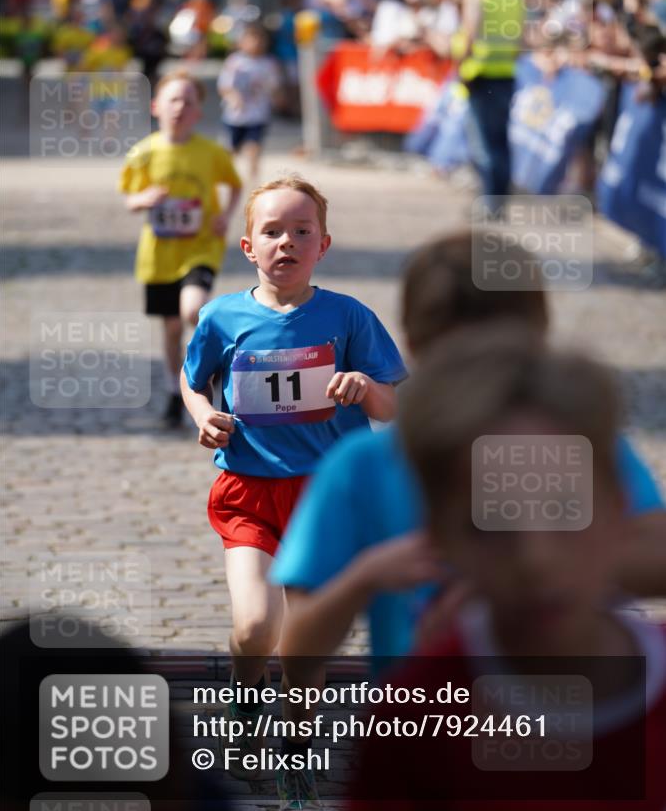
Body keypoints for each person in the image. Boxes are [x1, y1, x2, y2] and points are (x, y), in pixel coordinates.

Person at [274, 232, 665, 663]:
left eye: (500, 357)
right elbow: (296, 649)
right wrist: (364, 578)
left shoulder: (577, 439)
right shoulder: (364, 465)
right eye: (463, 360)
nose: (480, 380)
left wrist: (552, 567)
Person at [349, 326, 666, 811]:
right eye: (490, 524)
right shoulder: (414, 720)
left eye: (566, 511)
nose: (534, 558)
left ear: (619, 508)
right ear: (441, 535)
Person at [180, 175, 406, 811]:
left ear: (323, 244)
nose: (288, 242)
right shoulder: (222, 316)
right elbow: (194, 379)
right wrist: (202, 414)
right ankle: (246, 690)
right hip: (248, 491)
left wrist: (365, 387)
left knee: (304, 642)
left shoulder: (349, 317)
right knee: (255, 626)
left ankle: (295, 753)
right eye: (273, 232)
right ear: (248, 246)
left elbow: (389, 407)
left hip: (324, 501)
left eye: (301, 231)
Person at [118, 71, 242, 428]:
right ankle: (177, 391)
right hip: (159, 255)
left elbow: (234, 186)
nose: (180, 108)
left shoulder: (211, 153)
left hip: (201, 247)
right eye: (173, 100)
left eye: (189, 102)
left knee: (193, 311)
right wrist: (144, 198)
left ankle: (217, 373)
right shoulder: (143, 153)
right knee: (172, 329)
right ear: (157, 106)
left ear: (199, 112)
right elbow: (129, 198)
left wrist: (226, 217)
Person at [451, 0, 525, 214]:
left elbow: (470, 32)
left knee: (482, 142)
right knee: (501, 140)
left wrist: (460, 66)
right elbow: (519, 40)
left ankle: (488, 202)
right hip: (506, 73)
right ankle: (500, 200)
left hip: (480, 74)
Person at [217, 23, 281, 180]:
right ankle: (226, 176)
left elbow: (275, 86)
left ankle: (253, 178)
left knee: (254, 147)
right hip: (235, 115)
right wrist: (234, 97)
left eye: (260, 40)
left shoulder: (269, 63)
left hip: (258, 113)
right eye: (252, 40)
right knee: (232, 148)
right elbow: (224, 86)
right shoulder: (235, 62)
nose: (257, 44)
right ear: (242, 42)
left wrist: (278, 98)